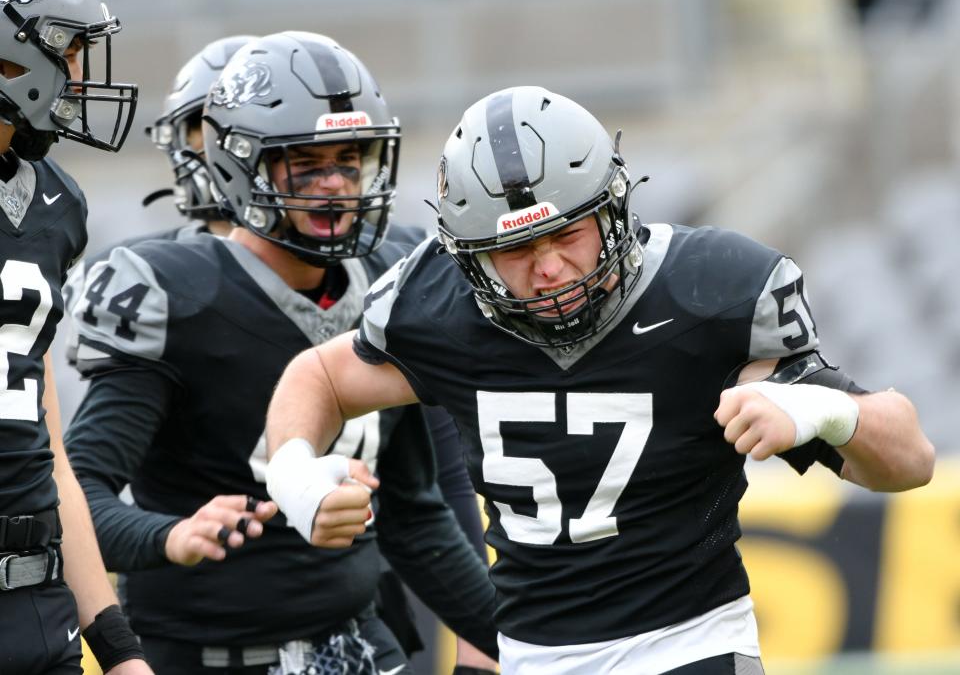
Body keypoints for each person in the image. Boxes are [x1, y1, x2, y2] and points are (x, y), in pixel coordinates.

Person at [264, 85, 936, 675]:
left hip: (690, 645)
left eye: (567, 235)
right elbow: (317, 378)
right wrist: (294, 471)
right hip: (530, 653)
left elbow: (908, 461)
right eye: (517, 250)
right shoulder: (438, 307)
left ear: (611, 209)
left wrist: (824, 413)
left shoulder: (706, 292)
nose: (548, 267)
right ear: (469, 258)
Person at [65, 31, 498, 675]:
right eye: (306, 163)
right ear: (244, 166)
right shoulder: (178, 293)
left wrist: (508, 640)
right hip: (208, 656)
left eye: (349, 160)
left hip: (358, 647)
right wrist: (168, 535)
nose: (334, 186)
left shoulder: (390, 279)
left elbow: (416, 515)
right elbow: (77, 494)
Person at [0, 0, 150, 673]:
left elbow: (46, 447)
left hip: (40, 603)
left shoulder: (55, 206)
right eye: (71, 49)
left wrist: (115, 644)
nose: (82, 76)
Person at [62, 35, 255, 366]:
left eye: (247, 122)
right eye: (206, 124)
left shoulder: (363, 263)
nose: (227, 142)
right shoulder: (122, 273)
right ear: (178, 138)